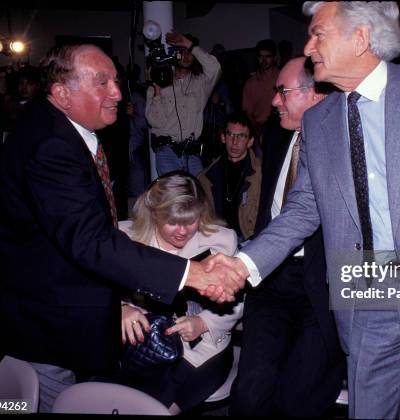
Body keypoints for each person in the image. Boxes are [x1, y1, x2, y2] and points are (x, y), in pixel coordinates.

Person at [206, 2, 400, 419]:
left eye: (318, 34)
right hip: (364, 297)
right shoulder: (318, 121)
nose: (308, 45)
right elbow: (302, 210)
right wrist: (243, 265)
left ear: (361, 38)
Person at [0, 44, 243, 412]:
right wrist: (191, 274)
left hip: (50, 310)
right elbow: (89, 241)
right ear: (62, 93)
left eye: (116, 80)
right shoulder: (50, 145)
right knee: (31, 406)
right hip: (35, 322)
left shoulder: (64, 131)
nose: (118, 92)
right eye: (102, 83)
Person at [229, 57, 344, 416]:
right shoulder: (278, 136)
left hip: (321, 287)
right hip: (270, 280)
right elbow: (271, 210)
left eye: (282, 91)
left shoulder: (347, 145)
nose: (274, 100)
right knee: (247, 396)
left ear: (316, 94)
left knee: (297, 400)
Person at [116, 171, 242, 414]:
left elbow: (238, 303)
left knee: (156, 406)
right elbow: (93, 289)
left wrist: (202, 322)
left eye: (191, 221)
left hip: (202, 348)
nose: (183, 232)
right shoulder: (124, 238)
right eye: (172, 222)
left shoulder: (221, 241)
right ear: (154, 214)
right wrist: (120, 308)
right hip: (141, 347)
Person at [146, 32, 221, 176]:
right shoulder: (161, 81)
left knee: (198, 193)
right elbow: (154, 121)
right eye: (182, 51)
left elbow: (215, 69)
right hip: (167, 152)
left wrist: (189, 45)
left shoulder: (201, 83)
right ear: (174, 54)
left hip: (192, 153)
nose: (186, 56)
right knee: (175, 196)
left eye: (189, 53)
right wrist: (157, 91)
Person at [198, 112, 261, 242]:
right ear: (223, 137)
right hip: (218, 240)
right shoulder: (206, 177)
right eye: (230, 134)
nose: (234, 141)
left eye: (241, 136)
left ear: (250, 141)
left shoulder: (262, 174)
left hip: (251, 239)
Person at [242, 39, 279, 131]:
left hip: (281, 126)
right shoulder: (251, 83)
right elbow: (248, 113)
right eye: (260, 57)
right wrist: (257, 132)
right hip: (260, 127)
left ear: (274, 58)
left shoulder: (283, 77)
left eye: (267, 56)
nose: (264, 60)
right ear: (257, 58)